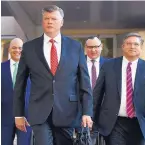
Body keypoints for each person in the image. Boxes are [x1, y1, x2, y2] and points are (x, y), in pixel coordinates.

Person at [13, 5, 93, 145]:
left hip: (67, 112)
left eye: (54, 19)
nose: (50, 22)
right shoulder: (29, 48)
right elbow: (20, 83)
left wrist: (87, 112)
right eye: (46, 19)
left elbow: (84, 81)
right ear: (42, 22)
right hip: (39, 112)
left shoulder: (75, 47)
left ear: (61, 22)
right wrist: (18, 114)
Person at [93, 33, 145, 145]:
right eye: (129, 44)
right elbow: (97, 94)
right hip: (114, 123)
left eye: (136, 44)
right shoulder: (109, 66)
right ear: (123, 46)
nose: (132, 46)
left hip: (140, 123)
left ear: (141, 48)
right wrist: (91, 116)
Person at [1, 38, 32, 145]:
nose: (17, 50)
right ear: (9, 49)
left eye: (20, 48)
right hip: (5, 116)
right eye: (14, 48)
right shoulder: (1, 68)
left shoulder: (32, 69)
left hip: (26, 116)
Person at [84, 36, 108, 145]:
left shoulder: (110, 64)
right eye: (90, 47)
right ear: (85, 48)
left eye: (96, 47)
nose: (93, 50)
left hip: (105, 112)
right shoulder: (77, 63)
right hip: (84, 112)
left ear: (101, 47)